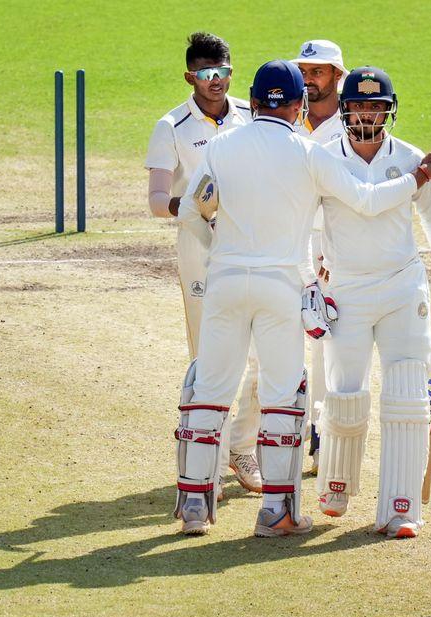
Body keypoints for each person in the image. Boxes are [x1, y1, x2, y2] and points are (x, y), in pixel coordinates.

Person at [172, 59, 431, 538]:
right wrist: (417, 180)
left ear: (253, 101)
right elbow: (365, 200)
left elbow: (191, 215)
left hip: (227, 282)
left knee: (210, 391)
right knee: (283, 398)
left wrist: (223, 250)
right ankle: (277, 513)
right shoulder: (308, 152)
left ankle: (195, 506)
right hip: (281, 287)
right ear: (300, 106)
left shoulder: (220, 146)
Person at [313, 65, 431, 537]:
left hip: (403, 287)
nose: (366, 115)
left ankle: (402, 507)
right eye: (358, 106)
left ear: (389, 111)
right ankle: (336, 483)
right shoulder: (322, 158)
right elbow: (307, 219)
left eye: (375, 107)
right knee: (345, 392)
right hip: (348, 290)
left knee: (406, 395)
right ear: (344, 110)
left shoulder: (409, 156)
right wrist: (310, 273)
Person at [144, 31, 261, 492]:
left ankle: (242, 449)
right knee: (209, 355)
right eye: (208, 74)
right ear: (190, 75)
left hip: (252, 246)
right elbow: (156, 200)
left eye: (224, 72)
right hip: (199, 249)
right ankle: (204, 455)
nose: (217, 81)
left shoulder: (253, 119)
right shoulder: (171, 127)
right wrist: (196, 206)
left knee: (260, 355)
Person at [289, 38, 348, 475]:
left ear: (337, 76)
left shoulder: (355, 122)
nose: (310, 80)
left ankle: (323, 439)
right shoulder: (285, 116)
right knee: (282, 341)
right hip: (289, 245)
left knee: (328, 346)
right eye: (305, 72)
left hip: (333, 250)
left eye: (319, 72)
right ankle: (284, 435)